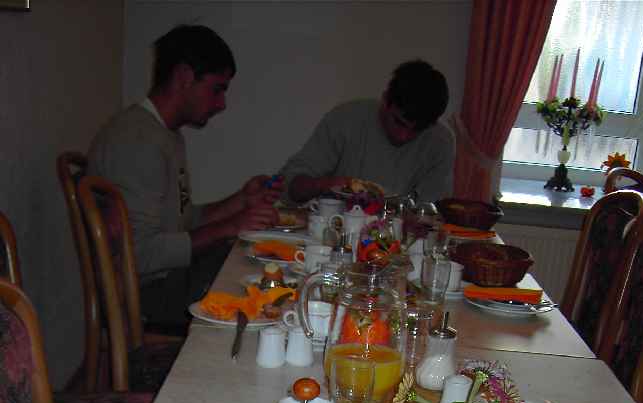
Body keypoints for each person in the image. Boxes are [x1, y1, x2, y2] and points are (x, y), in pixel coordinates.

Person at [88, 24, 280, 325]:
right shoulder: (136, 141)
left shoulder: (164, 135)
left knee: (255, 270)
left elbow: (181, 222)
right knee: (254, 283)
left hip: (164, 284)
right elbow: (138, 255)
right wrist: (231, 226)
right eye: (217, 89)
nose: (222, 104)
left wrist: (241, 201)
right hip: (145, 297)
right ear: (184, 77)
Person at [281, 60, 454, 206]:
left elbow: (430, 209)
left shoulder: (441, 142)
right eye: (398, 122)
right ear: (385, 100)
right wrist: (322, 184)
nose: (403, 136)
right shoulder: (346, 119)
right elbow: (289, 185)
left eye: (417, 130)